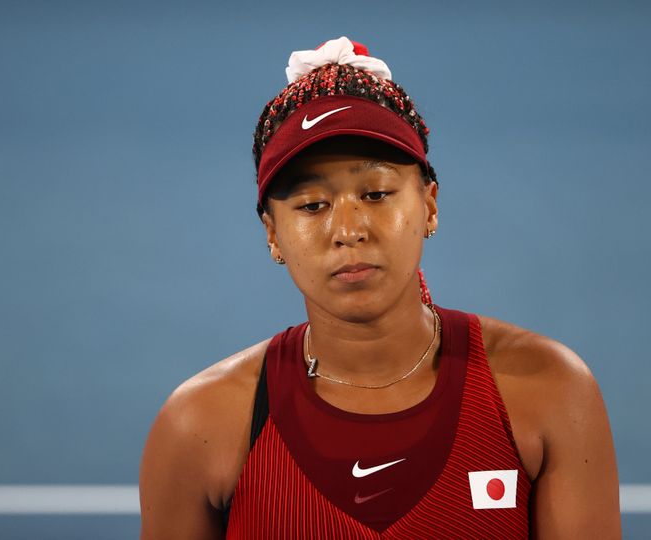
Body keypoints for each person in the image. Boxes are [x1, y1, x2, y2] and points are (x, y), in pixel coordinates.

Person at [139, 37, 620, 539]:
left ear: (429, 204)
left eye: (375, 193)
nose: (349, 230)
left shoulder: (548, 391)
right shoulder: (198, 427)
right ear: (273, 234)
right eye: (312, 205)